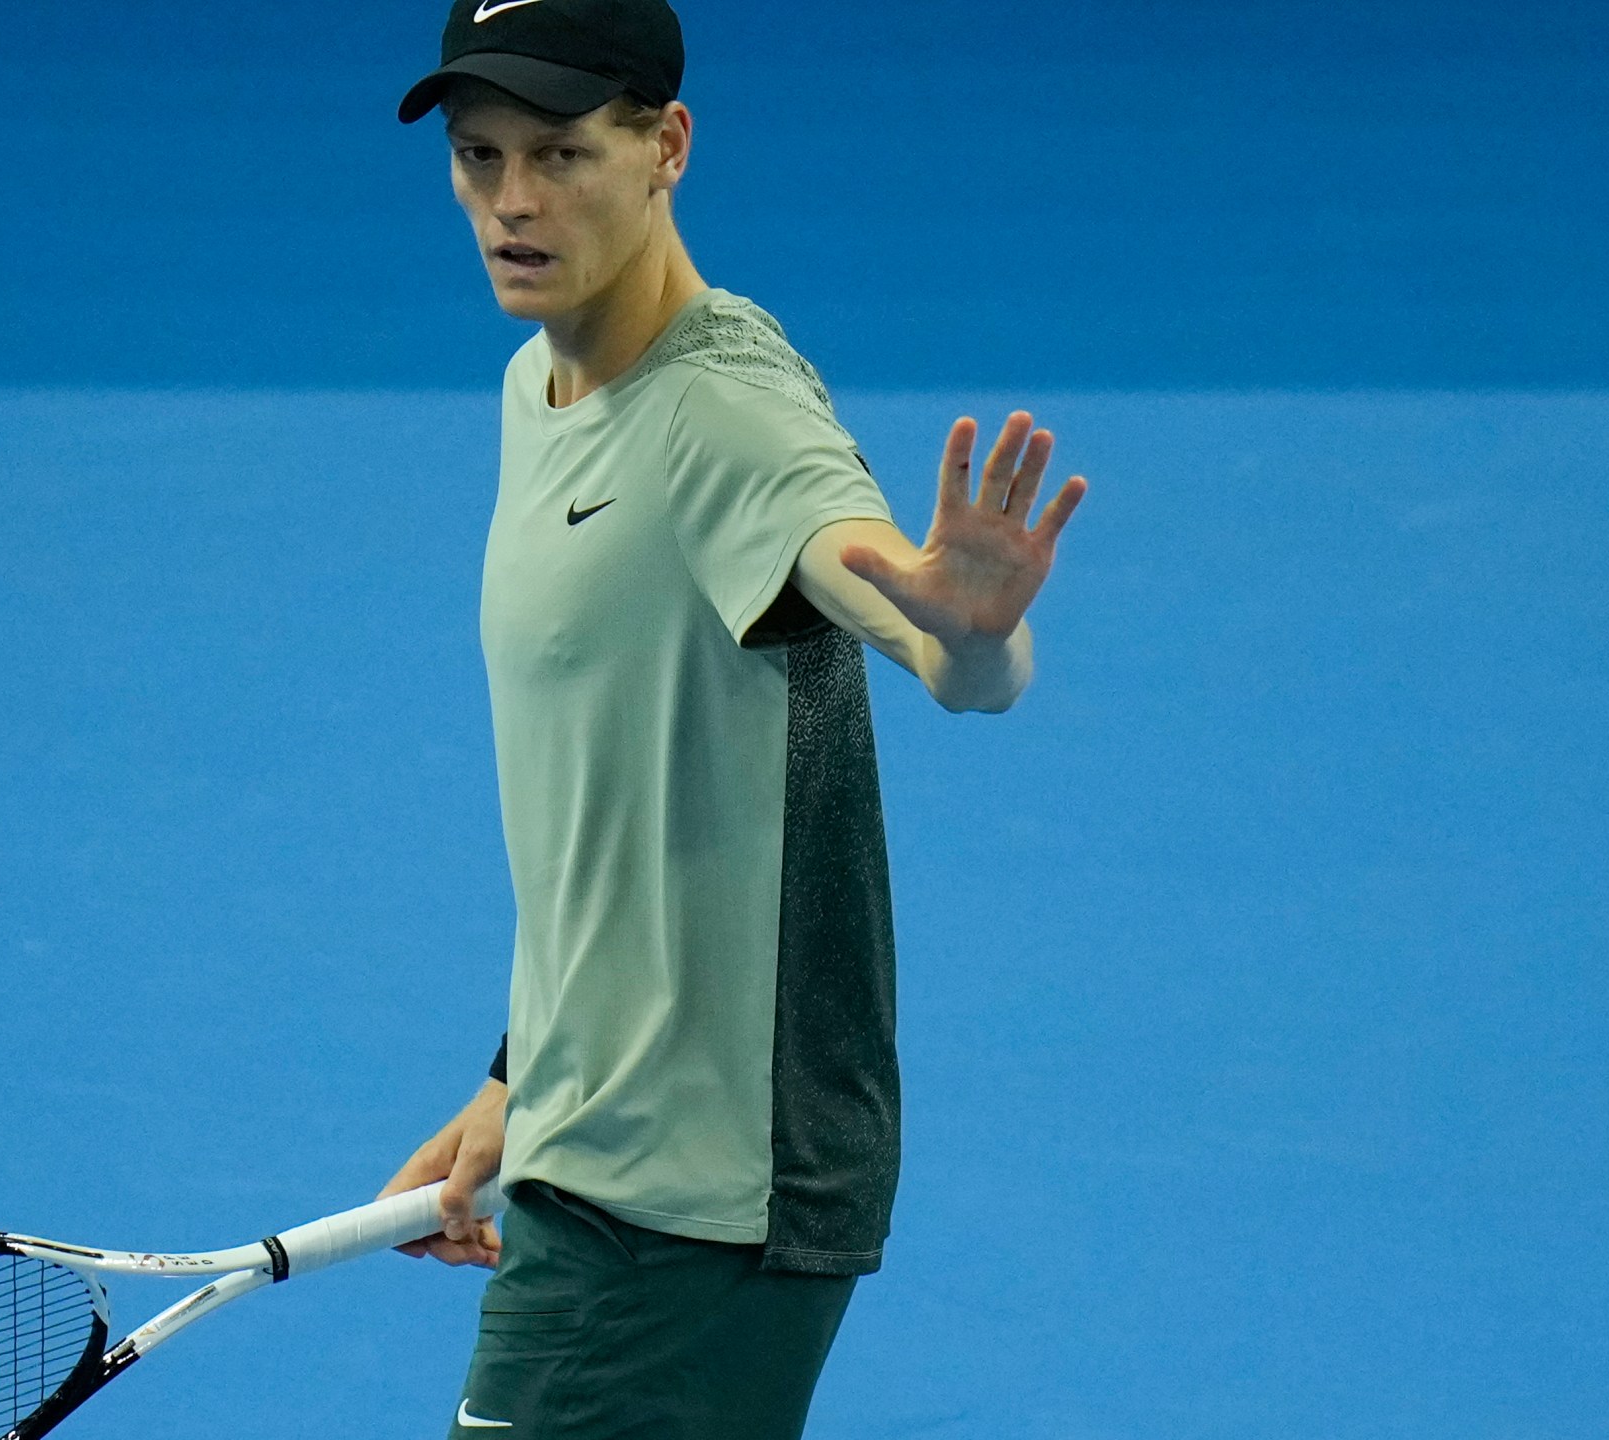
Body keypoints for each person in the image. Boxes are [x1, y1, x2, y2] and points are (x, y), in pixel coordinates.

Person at [376, 1, 1085, 1434]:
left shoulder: (730, 417)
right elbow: (628, 791)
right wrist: (528, 1072)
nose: (512, 202)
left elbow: (922, 632)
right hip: (609, 1139)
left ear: (668, 147)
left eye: (563, 153)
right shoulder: (543, 384)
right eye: (479, 155)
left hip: (694, 1203)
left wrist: (965, 628)